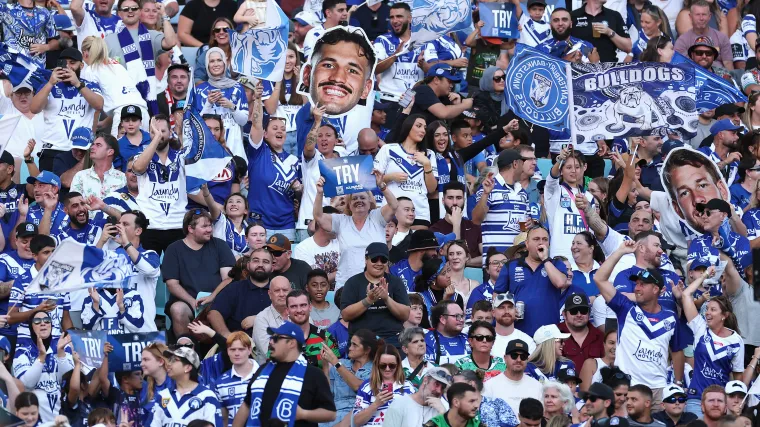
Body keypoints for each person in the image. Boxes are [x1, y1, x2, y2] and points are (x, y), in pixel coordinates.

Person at [594, 240, 682, 408]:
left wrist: (677, 383)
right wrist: (620, 252)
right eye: (637, 284)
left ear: (656, 290)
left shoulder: (671, 318)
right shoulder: (625, 308)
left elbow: (677, 351)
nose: (637, 288)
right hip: (628, 389)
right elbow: (599, 279)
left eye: (643, 284)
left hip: (659, 391)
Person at [234, 321, 338, 425]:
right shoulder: (262, 370)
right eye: (271, 338)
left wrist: (303, 414)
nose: (271, 342)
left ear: (291, 343)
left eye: (276, 338)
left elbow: (330, 414)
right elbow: (246, 405)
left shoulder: (313, 374)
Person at [674, 266, 744, 418]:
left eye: (713, 310)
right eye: (707, 309)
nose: (707, 313)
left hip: (720, 402)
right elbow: (686, 294)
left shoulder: (736, 341)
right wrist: (705, 274)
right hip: (696, 399)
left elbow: (738, 378)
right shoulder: (700, 327)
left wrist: (735, 405)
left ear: (724, 315)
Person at [312, 172, 398, 290]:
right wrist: (319, 193)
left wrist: (382, 186)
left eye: (362, 198)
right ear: (349, 204)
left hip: (376, 284)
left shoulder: (377, 217)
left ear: (370, 202)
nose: (359, 200)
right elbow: (318, 216)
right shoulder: (341, 221)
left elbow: (394, 205)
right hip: (346, 284)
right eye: (354, 198)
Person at [161, 209, 235, 337]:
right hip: (188, 302)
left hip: (218, 300)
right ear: (190, 229)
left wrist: (212, 296)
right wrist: (191, 301)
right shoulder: (174, 249)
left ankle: (227, 344)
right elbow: (172, 284)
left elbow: (228, 278)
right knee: (178, 309)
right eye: (204, 226)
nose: (209, 229)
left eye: (210, 225)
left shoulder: (220, 245)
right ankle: (186, 346)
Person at [30, 47, 104, 172]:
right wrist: (50, 83)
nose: (68, 67)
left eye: (72, 63)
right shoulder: (49, 85)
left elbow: (99, 105)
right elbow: (34, 109)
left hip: (80, 150)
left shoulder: (90, 85)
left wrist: (77, 84)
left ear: (81, 65)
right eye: (64, 63)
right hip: (52, 149)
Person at [495, 225, 570, 336]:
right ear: (527, 244)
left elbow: (560, 283)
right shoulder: (511, 265)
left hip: (549, 333)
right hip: (519, 332)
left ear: (549, 244)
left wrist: (545, 259)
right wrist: (507, 312)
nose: (541, 243)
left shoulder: (556, 264)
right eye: (536, 239)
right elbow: (497, 295)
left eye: (545, 239)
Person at [131, 115, 188, 255]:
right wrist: (156, 138)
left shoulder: (181, 157)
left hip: (177, 223)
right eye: (154, 132)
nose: (159, 135)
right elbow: (138, 168)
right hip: (150, 225)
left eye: (162, 131)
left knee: (178, 268)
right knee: (149, 267)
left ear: (170, 132)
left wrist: (180, 134)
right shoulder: (140, 157)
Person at [340, 242, 410, 347]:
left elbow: (405, 315)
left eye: (383, 260)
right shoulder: (353, 282)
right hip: (361, 341)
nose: (379, 263)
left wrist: (387, 299)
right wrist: (368, 300)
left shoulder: (396, 282)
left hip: (391, 339)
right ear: (366, 260)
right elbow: (346, 315)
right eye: (374, 259)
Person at [374, 114, 438, 226]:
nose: (423, 130)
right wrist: (391, 177)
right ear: (408, 126)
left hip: (420, 212)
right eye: (418, 126)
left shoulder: (429, 154)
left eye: (424, 128)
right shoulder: (388, 149)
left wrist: (427, 164)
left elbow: (432, 189)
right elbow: (373, 180)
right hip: (391, 211)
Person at [80, 36, 149, 136]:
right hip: (142, 113)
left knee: (120, 147)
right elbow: (122, 100)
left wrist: (92, 131)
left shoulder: (91, 70)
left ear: (85, 53)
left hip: (124, 116)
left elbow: (95, 105)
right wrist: (105, 123)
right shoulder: (117, 65)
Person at [12, 315, 74, 423]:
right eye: (37, 321)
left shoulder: (63, 346)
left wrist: (61, 353)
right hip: (35, 418)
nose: (43, 323)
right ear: (31, 327)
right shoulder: (22, 351)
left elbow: (68, 380)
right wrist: (41, 357)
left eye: (47, 320)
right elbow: (27, 383)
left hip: (63, 416)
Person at [190, 47, 248, 161]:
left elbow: (243, 121)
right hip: (210, 150)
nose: (216, 64)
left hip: (234, 146)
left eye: (219, 60)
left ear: (224, 63)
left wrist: (231, 106)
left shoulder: (237, 87)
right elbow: (196, 126)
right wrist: (209, 103)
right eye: (212, 61)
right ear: (207, 65)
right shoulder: (200, 90)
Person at [207, 247, 273, 337]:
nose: (260, 265)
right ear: (248, 265)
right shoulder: (234, 288)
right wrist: (227, 336)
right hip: (239, 342)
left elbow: (288, 316)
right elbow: (214, 314)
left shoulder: (280, 290)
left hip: (275, 342)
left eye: (265, 262)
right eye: (256, 261)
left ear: (272, 267)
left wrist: (259, 319)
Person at [151, 346, 222, 426]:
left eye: (174, 360)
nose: (168, 364)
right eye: (170, 360)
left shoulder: (207, 396)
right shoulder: (163, 395)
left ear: (188, 367)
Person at [320, 329, 377, 427]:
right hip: (333, 414)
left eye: (355, 345)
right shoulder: (342, 363)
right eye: (350, 344)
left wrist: (335, 362)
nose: (350, 348)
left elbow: (358, 387)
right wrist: (325, 365)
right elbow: (327, 393)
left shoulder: (375, 370)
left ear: (367, 350)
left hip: (356, 416)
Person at [352, 343, 416, 426]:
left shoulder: (408, 386)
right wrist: (376, 404)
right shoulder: (367, 386)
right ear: (377, 365)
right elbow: (356, 422)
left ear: (398, 365)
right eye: (383, 365)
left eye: (392, 365)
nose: (387, 369)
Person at [373, 3, 422, 108]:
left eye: (399, 16)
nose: (394, 21)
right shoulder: (382, 40)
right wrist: (395, 55)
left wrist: (424, 64)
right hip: (389, 100)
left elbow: (432, 71)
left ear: (409, 18)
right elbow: (375, 68)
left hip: (416, 100)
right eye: (392, 17)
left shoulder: (422, 41)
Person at [483, 339, 543, 415]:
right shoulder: (490, 386)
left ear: (527, 360)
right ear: (505, 358)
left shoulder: (537, 386)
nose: (519, 360)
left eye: (523, 356)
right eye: (514, 356)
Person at [284, 289, 340, 369]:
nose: (299, 310)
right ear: (287, 310)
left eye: (303, 305)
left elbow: (337, 371)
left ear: (310, 307)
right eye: (293, 306)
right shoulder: (278, 340)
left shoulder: (326, 338)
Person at [213, 332, 260, 426]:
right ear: (227, 351)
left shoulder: (265, 376)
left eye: (241, 349)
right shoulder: (220, 382)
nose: (237, 353)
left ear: (249, 350)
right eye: (232, 349)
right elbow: (223, 418)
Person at [384, 366, 451, 427]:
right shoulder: (400, 404)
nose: (439, 391)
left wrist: (443, 415)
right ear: (425, 380)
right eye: (436, 384)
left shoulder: (441, 409)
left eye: (443, 388)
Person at [674, 1, 733, 69]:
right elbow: (680, 66)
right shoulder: (682, 40)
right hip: (693, 73)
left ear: (709, 16)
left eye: (704, 14)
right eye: (697, 15)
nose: (701, 18)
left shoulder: (722, 37)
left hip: (719, 74)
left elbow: (728, 65)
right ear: (690, 16)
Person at [293, 206, 340, 285]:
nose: (339, 226)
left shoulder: (341, 243)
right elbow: (312, 282)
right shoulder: (302, 248)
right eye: (336, 223)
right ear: (321, 223)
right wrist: (340, 273)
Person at [559, 291, 605, 369]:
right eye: (573, 311)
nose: (579, 315)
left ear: (589, 313)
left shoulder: (600, 337)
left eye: (583, 311)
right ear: (564, 314)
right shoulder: (554, 335)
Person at [251, 276, 290, 364]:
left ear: (291, 292)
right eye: (277, 290)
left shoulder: (299, 314)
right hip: (270, 370)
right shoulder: (262, 319)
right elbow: (270, 354)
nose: (281, 294)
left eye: (285, 290)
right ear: (269, 294)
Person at [491, 292, 537, 357]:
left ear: (515, 311)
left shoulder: (527, 341)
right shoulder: (484, 339)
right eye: (501, 307)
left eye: (510, 307)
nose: (507, 311)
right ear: (493, 312)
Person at [425, 300, 470, 365]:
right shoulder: (426, 340)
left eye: (462, 316)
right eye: (457, 316)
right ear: (443, 319)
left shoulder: (470, 339)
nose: (461, 320)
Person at [140, 342, 173, 427]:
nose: (141, 364)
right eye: (141, 360)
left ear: (161, 361)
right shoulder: (145, 388)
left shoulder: (176, 384)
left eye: (146, 360)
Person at [193, 18, 235, 84]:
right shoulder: (205, 55)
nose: (221, 32)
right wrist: (212, 87)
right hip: (212, 90)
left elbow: (247, 78)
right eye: (217, 30)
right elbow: (197, 79)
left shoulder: (241, 53)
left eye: (225, 29)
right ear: (214, 36)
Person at [466, 250, 506, 318]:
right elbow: (471, 320)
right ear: (487, 269)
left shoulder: (517, 288)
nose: (501, 265)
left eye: (504, 262)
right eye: (495, 263)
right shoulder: (479, 291)